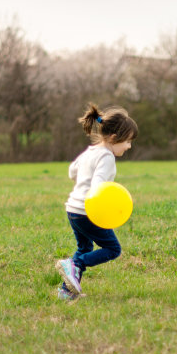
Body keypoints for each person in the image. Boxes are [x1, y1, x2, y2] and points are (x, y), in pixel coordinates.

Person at [56, 103, 138, 300]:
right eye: (127, 142)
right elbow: (98, 185)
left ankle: (66, 292)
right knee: (113, 249)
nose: (129, 146)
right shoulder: (107, 156)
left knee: (84, 248)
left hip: (73, 210)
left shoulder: (90, 151)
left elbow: (71, 171)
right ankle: (75, 265)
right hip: (87, 212)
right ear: (114, 138)